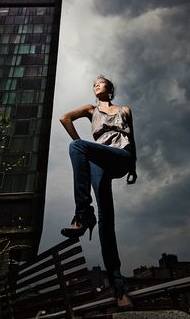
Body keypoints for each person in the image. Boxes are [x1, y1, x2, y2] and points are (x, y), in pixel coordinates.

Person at [59, 75, 137, 309]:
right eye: (93, 84)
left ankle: (83, 214)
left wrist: (134, 165)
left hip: (121, 156)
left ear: (110, 89)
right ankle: (119, 288)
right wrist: (84, 150)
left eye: (100, 82)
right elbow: (64, 118)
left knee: (77, 146)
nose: (95, 85)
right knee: (106, 221)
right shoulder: (90, 109)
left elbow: (132, 138)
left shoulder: (125, 109)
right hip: (98, 160)